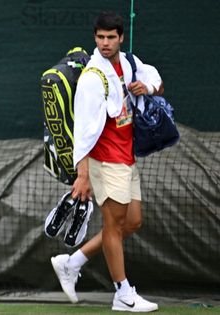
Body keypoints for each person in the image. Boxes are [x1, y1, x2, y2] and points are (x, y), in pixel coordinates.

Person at [50, 12, 163, 312]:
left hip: (127, 157)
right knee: (113, 225)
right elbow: (83, 133)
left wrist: (146, 88)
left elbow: (157, 81)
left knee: (132, 221)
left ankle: (71, 263)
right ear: (95, 38)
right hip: (104, 160)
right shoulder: (90, 78)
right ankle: (123, 294)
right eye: (100, 37)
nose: (105, 43)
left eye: (111, 37)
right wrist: (82, 175)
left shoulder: (129, 63)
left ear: (120, 38)